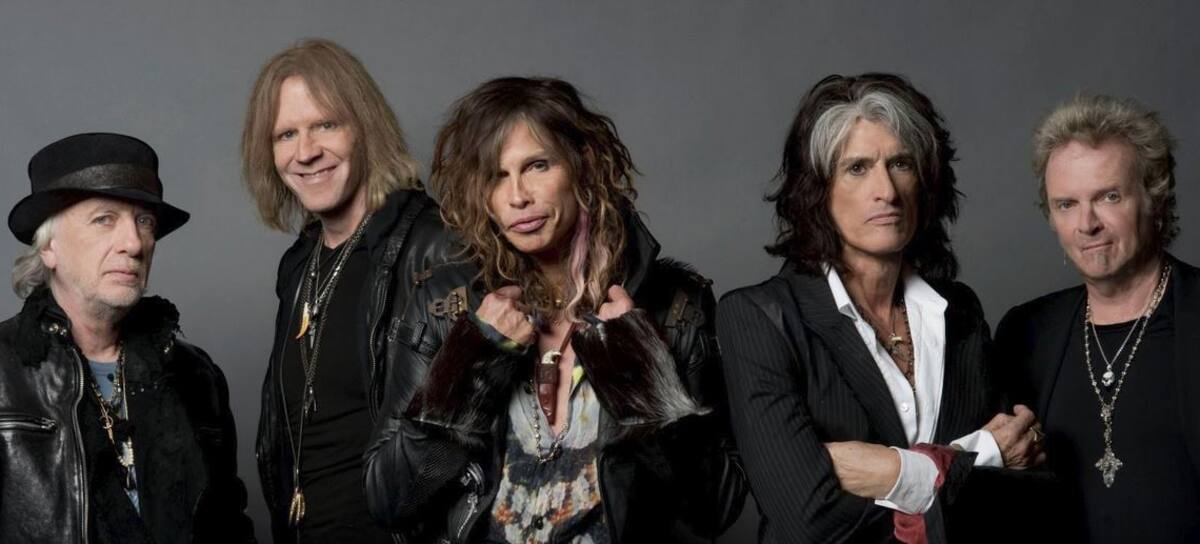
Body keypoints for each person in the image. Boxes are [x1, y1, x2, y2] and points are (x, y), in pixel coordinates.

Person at [364, 76, 746, 542]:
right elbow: (390, 500)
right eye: (496, 176)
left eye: (537, 165)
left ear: (582, 165)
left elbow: (715, 509)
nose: (517, 196)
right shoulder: (445, 306)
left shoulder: (670, 303)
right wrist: (469, 364)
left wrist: (643, 382)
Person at [716, 73, 1044, 543]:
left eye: (901, 164)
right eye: (857, 168)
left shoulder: (960, 311)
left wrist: (889, 471)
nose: (886, 191)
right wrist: (980, 455)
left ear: (925, 181)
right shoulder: (760, 318)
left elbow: (1019, 500)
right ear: (818, 190)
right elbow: (807, 522)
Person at [240, 39, 457, 542]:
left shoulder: (432, 248)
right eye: (285, 134)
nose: (305, 152)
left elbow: (456, 435)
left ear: (365, 127)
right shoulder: (300, 266)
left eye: (325, 125)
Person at [0, 132, 255, 543]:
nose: (134, 244)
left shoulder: (196, 376)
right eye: (104, 219)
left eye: (144, 222)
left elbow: (230, 525)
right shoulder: (4, 371)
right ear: (49, 247)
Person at [995, 93, 1200, 542]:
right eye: (1066, 204)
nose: (1087, 224)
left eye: (1109, 196)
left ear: (1154, 198)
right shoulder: (1024, 334)